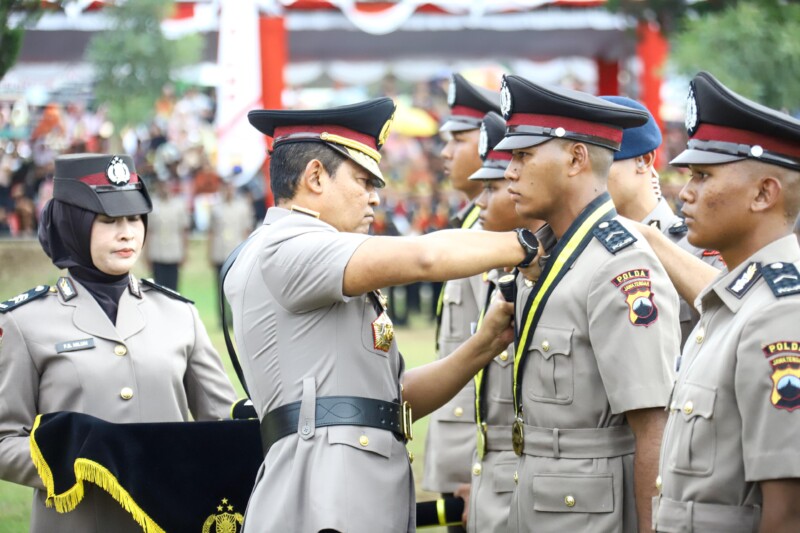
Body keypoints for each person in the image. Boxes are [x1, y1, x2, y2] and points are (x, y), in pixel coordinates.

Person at [224, 97, 536, 533]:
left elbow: (394, 402)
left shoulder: (308, 255)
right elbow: (425, 257)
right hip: (322, 499)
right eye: (363, 180)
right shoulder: (287, 245)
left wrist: (484, 344)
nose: (374, 197)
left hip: (345, 492)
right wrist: (530, 245)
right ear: (315, 176)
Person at [0, 153, 237, 532]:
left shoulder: (179, 314)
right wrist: (75, 461)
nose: (127, 233)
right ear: (74, 224)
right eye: (108, 221)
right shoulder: (24, 321)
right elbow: (4, 440)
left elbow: (224, 424)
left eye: (134, 219)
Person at [496, 74, 681, 532]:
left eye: (523, 155)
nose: (509, 172)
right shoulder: (550, 253)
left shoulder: (619, 266)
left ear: (577, 158)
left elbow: (652, 426)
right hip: (542, 502)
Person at [636, 72, 800, 533]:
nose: (685, 193)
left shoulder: (779, 314)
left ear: (764, 193)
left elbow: (788, 513)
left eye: (703, 176)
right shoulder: (733, 302)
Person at [458, 111, 545, 532]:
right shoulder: (506, 272)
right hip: (495, 484)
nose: (480, 202)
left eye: (492, 188)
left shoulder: (542, 274)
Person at [425, 74, 501, 530]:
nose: (445, 152)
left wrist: (481, 469)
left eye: (459, 139)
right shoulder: (472, 225)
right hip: (458, 449)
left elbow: (497, 363)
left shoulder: (492, 235)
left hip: (475, 456)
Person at [601, 95, 725, 348]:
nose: (587, 176)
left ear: (644, 160)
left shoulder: (698, 247)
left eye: (602, 162)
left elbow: (732, 308)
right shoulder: (579, 245)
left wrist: (650, 240)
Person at [208, 178, 254, 324]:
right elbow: (211, 232)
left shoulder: (242, 207)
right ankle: (222, 319)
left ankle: (235, 318)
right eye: (225, 187)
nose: (228, 191)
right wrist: (210, 253)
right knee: (220, 287)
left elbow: (247, 231)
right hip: (220, 252)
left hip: (236, 254)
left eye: (230, 187)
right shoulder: (216, 208)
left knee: (236, 287)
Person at [145, 177, 191, 290]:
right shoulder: (152, 204)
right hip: (157, 252)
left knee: (173, 289)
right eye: (161, 185)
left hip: (174, 252)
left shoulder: (179, 205)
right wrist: (146, 254)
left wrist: (185, 252)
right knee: (157, 289)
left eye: (166, 185)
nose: (163, 188)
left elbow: (184, 231)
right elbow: (148, 231)